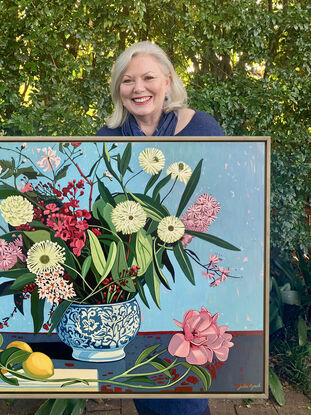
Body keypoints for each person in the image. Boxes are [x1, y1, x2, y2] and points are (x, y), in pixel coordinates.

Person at [96, 40, 223, 415]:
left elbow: (223, 196)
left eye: (148, 77)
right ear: (118, 89)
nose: (139, 88)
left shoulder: (202, 126)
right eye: (127, 81)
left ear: (167, 81)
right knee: (147, 372)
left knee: (187, 384)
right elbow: (101, 212)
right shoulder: (106, 137)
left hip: (194, 267)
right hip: (138, 273)